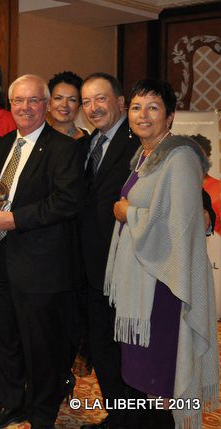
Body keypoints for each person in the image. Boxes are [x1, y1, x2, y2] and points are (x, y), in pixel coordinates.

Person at [105, 78, 219, 428]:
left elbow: (179, 222)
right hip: (140, 281)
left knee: (161, 377)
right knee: (144, 377)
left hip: (164, 284)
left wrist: (127, 213)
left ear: (169, 117)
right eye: (137, 107)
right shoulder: (146, 155)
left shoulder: (180, 156)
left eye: (153, 107)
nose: (143, 115)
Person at [0, 74, 84, 429]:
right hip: (0, 259)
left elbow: (67, 202)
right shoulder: (4, 144)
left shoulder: (64, 148)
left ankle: (41, 412)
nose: (25, 107)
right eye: (18, 101)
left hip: (39, 266)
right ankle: (10, 403)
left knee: (40, 346)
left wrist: (15, 220)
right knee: (2, 338)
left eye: (33, 101)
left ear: (46, 105)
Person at [77, 72, 144, 429]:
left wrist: (203, 209)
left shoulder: (138, 142)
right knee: (103, 347)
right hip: (93, 269)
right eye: (86, 101)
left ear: (120, 102)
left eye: (100, 99)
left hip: (126, 268)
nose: (92, 108)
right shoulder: (89, 144)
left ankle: (135, 420)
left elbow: (167, 179)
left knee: (127, 350)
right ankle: (118, 417)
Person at [47, 71, 89, 144]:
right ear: (49, 103)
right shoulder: (38, 139)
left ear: (79, 106)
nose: (64, 105)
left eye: (72, 100)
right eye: (58, 98)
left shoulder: (89, 142)